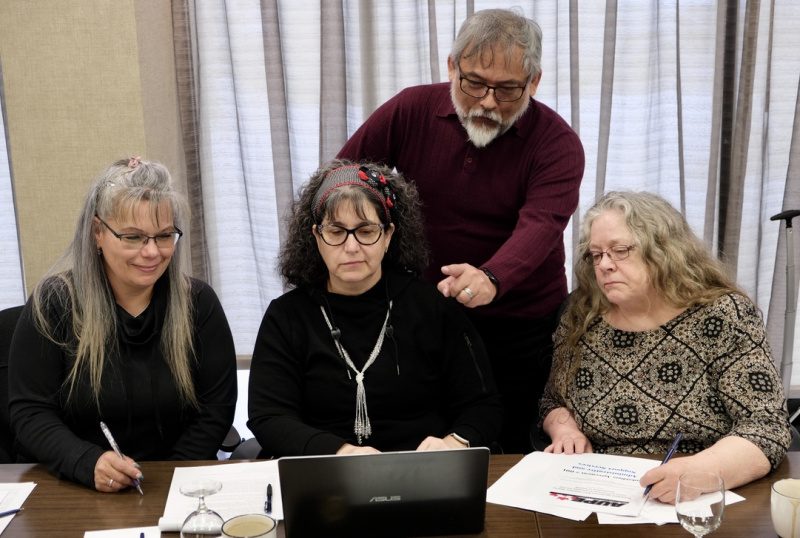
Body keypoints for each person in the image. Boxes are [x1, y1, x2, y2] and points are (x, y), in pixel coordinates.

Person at [337, 8, 584, 454]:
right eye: (474, 83)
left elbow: (542, 223)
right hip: (425, 317)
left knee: (511, 442)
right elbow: (344, 178)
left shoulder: (557, 143)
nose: (487, 102)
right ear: (452, 67)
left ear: (533, 82)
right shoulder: (410, 109)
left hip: (521, 326)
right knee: (431, 437)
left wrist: (492, 277)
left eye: (507, 89)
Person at [539, 190, 791, 503]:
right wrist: (565, 430)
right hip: (602, 491)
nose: (604, 265)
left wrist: (696, 472)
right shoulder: (582, 314)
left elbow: (766, 426)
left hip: (701, 494)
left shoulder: (723, 315)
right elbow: (553, 400)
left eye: (619, 251)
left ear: (663, 250)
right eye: (596, 255)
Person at [8, 157, 238, 491]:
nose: (152, 252)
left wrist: (170, 479)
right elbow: (30, 413)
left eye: (164, 236)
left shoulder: (198, 303)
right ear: (97, 232)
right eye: (133, 237)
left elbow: (216, 409)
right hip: (74, 484)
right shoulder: (53, 303)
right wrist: (87, 462)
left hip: (179, 484)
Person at [247, 159, 503, 456]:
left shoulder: (433, 308)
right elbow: (270, 416)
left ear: (388, 235)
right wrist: (344, 454)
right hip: (324, 468)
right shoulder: (286, 316)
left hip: (421, 468)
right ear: (317, 237)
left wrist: (453, 444)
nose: (351, 247)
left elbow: (483, 405)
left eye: (366, 231)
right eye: (336, 232)